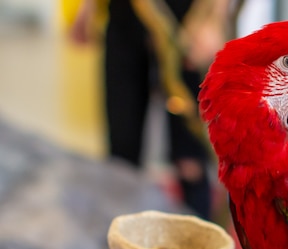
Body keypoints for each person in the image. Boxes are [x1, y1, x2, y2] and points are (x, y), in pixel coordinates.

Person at [71, 0, 231, 220]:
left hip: (187, 21)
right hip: (125, 18)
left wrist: (213, 17)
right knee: (121, 151)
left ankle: (198, 241)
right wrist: (87, 7)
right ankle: (120, 240)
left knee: (189, 158)